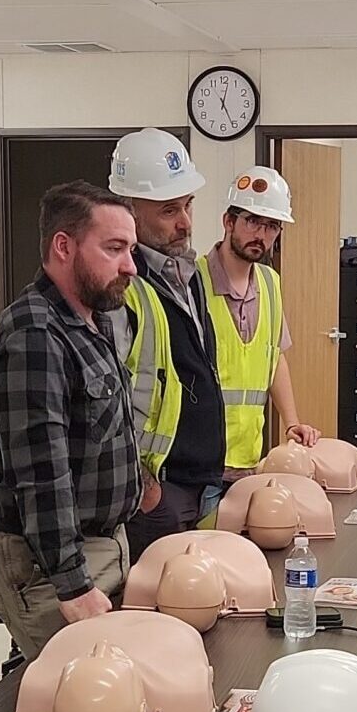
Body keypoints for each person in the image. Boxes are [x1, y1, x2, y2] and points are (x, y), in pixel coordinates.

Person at [0, 180, 144, 661]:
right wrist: (71, 584)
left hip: (100, 544)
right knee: (83, 707)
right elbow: (41, 474)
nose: (130, 265)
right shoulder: (36, 334)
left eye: (130, 249)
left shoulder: (93, 319)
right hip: (49, 565)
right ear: (63, 246)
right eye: (114, 249)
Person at [107, 128, 227, 558]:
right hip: (157, 491)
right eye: (169, 210)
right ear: (129, 211)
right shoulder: (121, 285)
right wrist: (144, 486)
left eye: (188, 205)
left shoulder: (185, 274)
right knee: (156, 615)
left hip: (200, 481)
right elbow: (106, 399)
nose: (186, 222)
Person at [197, 165, 320, 481]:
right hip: (197, 462)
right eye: (252, 221)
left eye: (272, 226)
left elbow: (274, 356)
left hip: (250, 458)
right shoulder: (191, 280)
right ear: (229, 221)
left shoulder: (270, 282)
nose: (261, 235)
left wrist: (292, 424)